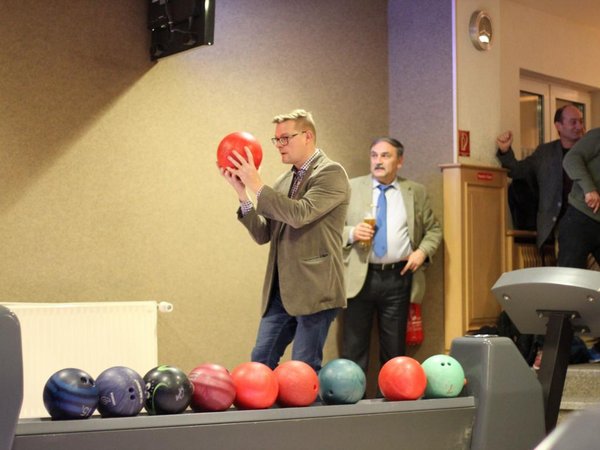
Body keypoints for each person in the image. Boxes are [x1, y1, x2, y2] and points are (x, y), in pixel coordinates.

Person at [219, 109, 350, 371]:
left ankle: (308, 413)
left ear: (307, 136)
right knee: (260, 362)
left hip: (316, 289)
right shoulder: (282, 180)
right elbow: (263, 234)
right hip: (281, 290)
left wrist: (257, 186)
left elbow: (299, 214)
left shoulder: (331, 173)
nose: (279, 145)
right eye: (276, 140)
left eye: (285, 138)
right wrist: (243, 195)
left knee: (302, 368)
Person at [341, 137, 441, 376]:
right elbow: (330, 229)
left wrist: (422, 252)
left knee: (394, 350)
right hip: (359, 277)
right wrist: (352, 232)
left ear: (400, 161)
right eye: (374, 155)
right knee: (354, 349)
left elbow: (434, 229)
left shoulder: (415, 191)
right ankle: (353, 404)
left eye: (385, 156)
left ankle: (391, 403)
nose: (378, 161)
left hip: (399, 277)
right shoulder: (351, 188)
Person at [496, 104, 585, 248]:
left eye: (581, 121)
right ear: (559, 126)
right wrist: (505, 152)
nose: (579, 126)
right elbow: (517, 171)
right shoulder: (545, 153)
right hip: (558, 228)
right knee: (567, 267)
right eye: (573, 122)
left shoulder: (592, 152)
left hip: (589, 223)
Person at [558, 127, 600, 268]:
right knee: (569, 281)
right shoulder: (597, 135)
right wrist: (589, 189)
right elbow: (571, 159)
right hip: (579, 219)